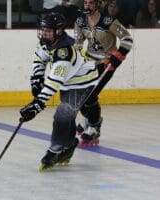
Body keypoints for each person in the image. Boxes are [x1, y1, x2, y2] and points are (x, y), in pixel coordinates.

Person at [19, 13, 101, 171]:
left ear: (59, 31)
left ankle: (56, 149)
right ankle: (68, 147)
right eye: (43, 29)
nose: (44, 33)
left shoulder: (64, 51)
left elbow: (54, 82)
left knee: (63, 112)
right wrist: (36, 78)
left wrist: (37, 104)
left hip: (83, 83)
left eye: (48, 30)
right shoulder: (47, 41)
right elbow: (40, 57)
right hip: (68, 82)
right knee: (68, 113)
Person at [74, 0, 133, 146]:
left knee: (91, 95)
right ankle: (88, 117)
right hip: (88, 62)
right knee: (78, 93)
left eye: (91, 3)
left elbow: (127, 39)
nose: (87, 5)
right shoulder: (80, 21)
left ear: (97, 5)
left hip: (106, 63)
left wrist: (118, 56)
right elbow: (78, 43)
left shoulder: (108, 21)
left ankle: (94, 126)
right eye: (85, 3)